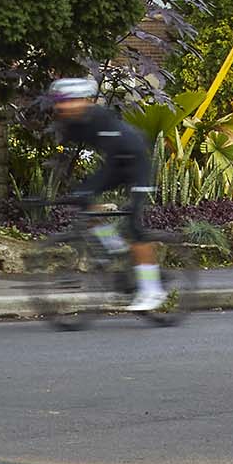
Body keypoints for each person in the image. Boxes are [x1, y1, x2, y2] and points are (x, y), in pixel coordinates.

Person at [46, 77, 165, 312]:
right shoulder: (71, 124)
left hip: (136, 160)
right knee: (82, 198)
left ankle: (153, 291)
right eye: (60, 102)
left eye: (68, 101)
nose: (63, 106)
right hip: (115, 163)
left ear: (83, 101)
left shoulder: (99, 117)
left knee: (134, 226)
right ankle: (114, 244)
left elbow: (119, 145)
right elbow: (65, 155)